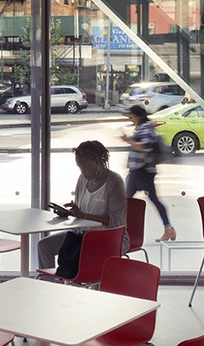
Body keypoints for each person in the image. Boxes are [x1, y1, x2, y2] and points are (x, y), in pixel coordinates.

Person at [38, 140, 128, 271]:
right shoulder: (83, 179)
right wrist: (70, 213)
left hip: (109, 237)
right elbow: (81, 212)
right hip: (81, 235)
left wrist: (83, 215)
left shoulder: (114, 182)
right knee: (44, 246)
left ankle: (90, 285)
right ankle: (52, 285)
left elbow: (116, 221)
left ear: (96, 162)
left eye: (84, 167)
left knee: (79, 257)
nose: (82, 171)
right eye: (79, 167)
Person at [121, 104, 176, 242]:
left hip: (141, 172)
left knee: (124, 203)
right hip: (140, 172)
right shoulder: (144, 128)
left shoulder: (145, 128)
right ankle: (169, 229)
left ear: (138, 116)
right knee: (150, 201)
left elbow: (145, 147)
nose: (130, 118)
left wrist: (128, 140)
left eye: (132, 116)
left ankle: (120, 232)